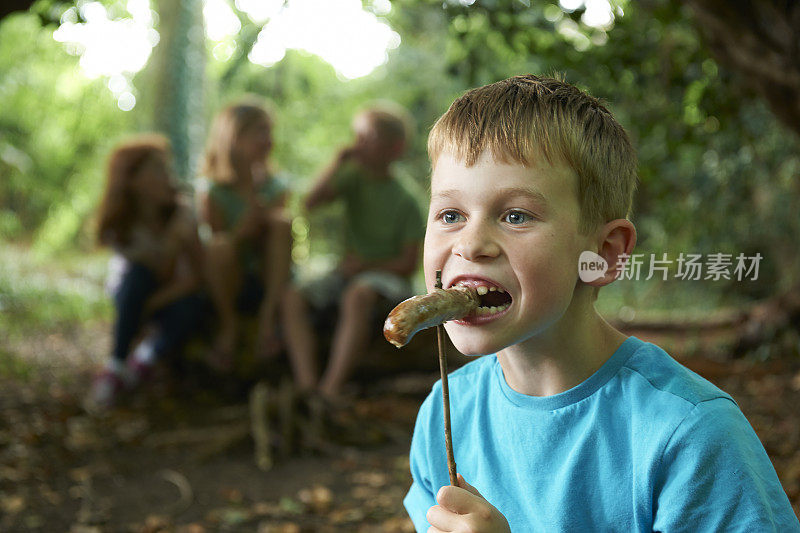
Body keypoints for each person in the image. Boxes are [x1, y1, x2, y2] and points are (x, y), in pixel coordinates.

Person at [404, 75, 800, 531]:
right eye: (450, 215)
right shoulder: (444, 412)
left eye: (516, 216)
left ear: (605, 254)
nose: (471, 245)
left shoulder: (689, 433)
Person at [282, 105, 425, 399]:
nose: (358, 143)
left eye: (367, 137)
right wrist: (337, 163)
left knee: (358, 294)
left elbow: (408, 264)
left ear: (394, 148)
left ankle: (330, 391)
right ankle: (307, 387)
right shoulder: (352, 179)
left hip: (386, 281)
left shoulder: (407, 200)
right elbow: (310, 204)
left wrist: (365, 267)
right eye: (357, 136)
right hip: (350, 271)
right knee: (293, 297)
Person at [90, 135, 205, 408]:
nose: (168, 176)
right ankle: (116, 364)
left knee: (188, 308)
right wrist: (174, 241)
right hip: (132, 295)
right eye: (158, 169)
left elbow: (196, 276)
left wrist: (151, 304)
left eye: (167, 168)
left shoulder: (182, 215)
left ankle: (144, 360)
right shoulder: (122, 226)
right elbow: (152, 273)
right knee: (137, 276)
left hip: (169, 298)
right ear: (132, 179)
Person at [198, 98, 292, 368]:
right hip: (231, 276)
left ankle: (267, 318)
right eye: (261, 131)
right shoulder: (212, 191)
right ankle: (229, 325)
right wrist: (242, 229)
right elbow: (220, 247)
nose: (269, 140)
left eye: (270, 132)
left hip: (267, 275)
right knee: (218, 246)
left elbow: (275, 239)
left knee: (280, 223)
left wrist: (260, 208)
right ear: (234, 137)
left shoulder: (276, 186)